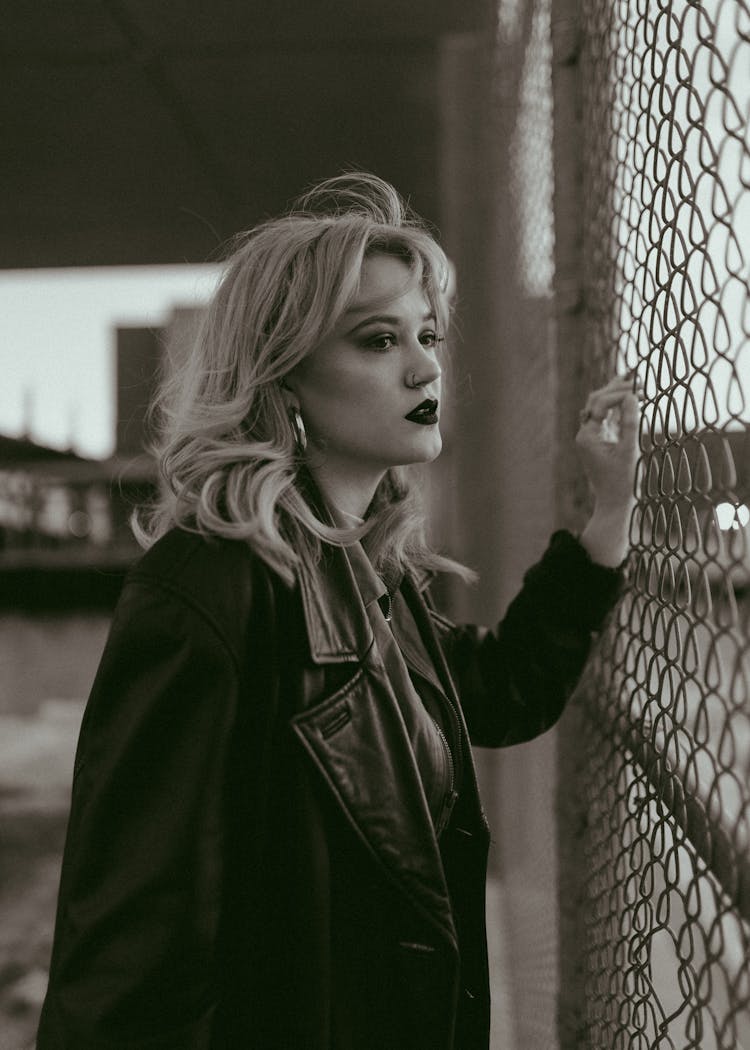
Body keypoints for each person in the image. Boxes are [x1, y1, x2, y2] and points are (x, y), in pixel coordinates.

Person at [37, 172, 639, 1050]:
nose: (427, 365)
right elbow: (131, 951)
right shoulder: (211, 586)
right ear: (282, 377)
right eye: (378, 340)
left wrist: (609, 517)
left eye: (427, 335)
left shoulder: (361, 573)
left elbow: (502, 690)